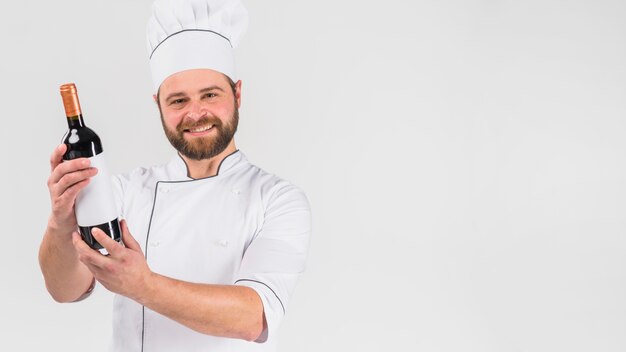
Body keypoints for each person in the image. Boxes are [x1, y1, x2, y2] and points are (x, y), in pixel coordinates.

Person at [38, 0, 311, 351]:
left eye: (210, 95)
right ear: (158, 105)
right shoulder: (125, 191)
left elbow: (253, 317)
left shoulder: (277, 200)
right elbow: (64, 290)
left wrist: (142, 285)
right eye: (178, 101)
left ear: (237, 94)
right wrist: (59, 224)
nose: (196, 114)